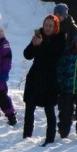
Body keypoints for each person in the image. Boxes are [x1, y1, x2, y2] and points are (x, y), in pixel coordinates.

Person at [23, 15, 66, 144]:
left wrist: (41, 45)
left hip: (50, 79)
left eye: (50, 26)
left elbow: (54, 57)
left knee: (49, 110)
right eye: (46, 25)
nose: (47, 28)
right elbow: (27, 55)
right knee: (29, 108)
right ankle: (26, 136)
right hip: (35, 76)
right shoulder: (39, 35)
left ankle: (50, 138)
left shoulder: (60, 38)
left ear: (55, 27)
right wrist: (33, 44)